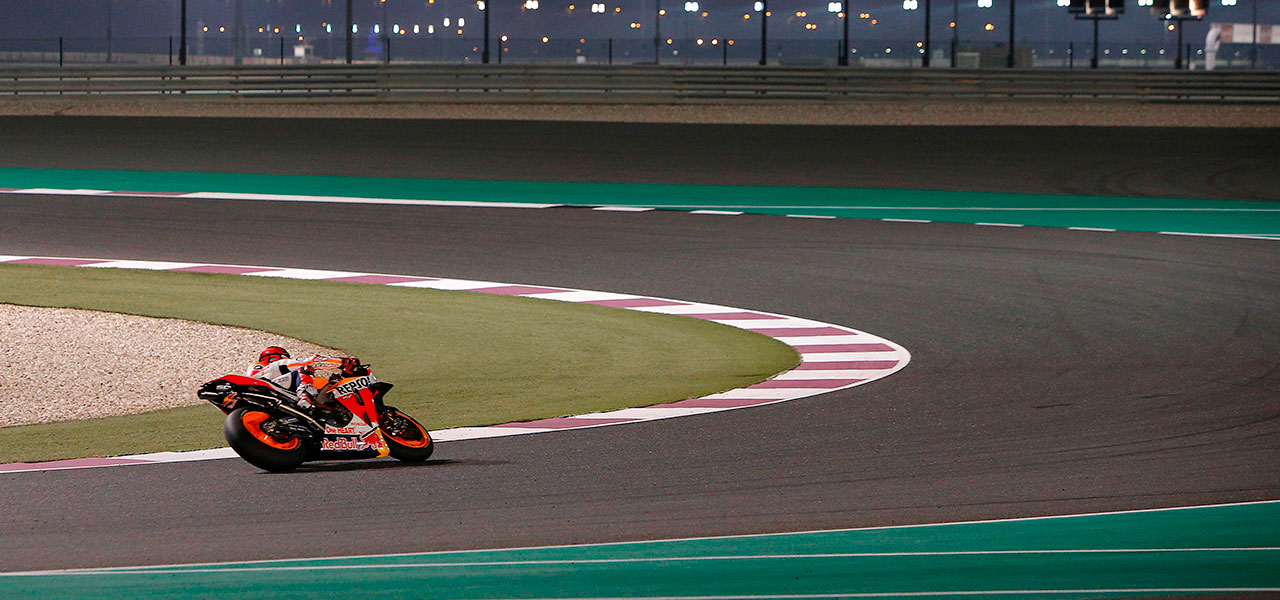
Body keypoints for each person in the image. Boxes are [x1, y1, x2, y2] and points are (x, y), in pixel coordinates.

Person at [247, 346, 362, 418]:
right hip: (268, 390)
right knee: (304, 368)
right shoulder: (265, 367)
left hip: (275, 400)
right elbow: (309, 361)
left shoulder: (264, 371)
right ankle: (306, 397)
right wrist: (342, 362)